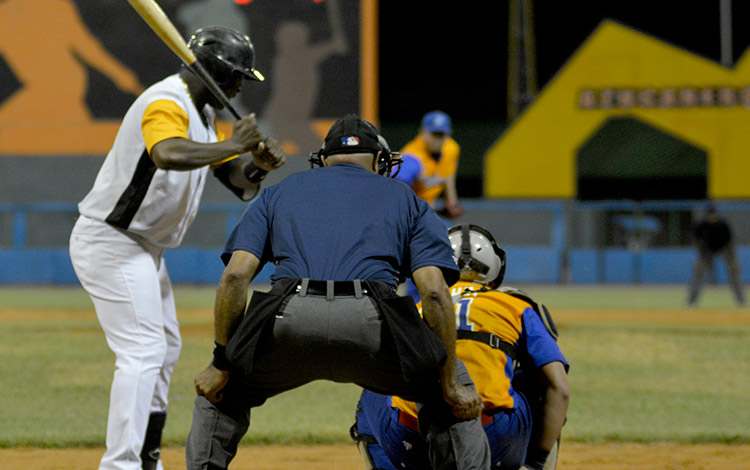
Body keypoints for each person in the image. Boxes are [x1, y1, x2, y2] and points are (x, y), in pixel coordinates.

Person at [185, 115, 490, 470]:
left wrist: (221, 363)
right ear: (379, 160)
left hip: (287, 319)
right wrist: (449, 380)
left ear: (324, 159)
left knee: (219, 393)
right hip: (375, 324)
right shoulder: (407, 199)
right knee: (447, 395)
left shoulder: (279, 192)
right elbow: (434, 292)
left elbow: (235, 277)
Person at [68, 26, 286, 470]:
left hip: (143, 248)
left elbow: (236, 181)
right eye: (238, 76)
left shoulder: (203, 116)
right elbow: (166, 152)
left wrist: (256, 166)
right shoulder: (166, 102)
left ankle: (146, 458)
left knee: (163, 346)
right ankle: (121, 465)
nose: (241, 85)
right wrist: (234, 143)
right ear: (217, 72)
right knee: (143, 349)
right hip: (112, 240)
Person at [352, 224, 570, 470]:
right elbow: (559, 389)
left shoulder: (414, 307)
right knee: (539, 383)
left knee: (373, 388)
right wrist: (536, 462)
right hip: (494, 438)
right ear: (495, 267)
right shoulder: (515, 305)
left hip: (413, 438)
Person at [395, 110, 463, 219]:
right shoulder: (411, 157)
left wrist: (452, 203)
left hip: (429, 210)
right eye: (433, 134)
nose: (437, 139)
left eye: (441, 135)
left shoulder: (451, 148)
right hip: (408, 214)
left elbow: (449, 175)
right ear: (422, 132)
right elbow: (394, 190)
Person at [688, 204, 745, 306]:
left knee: (734, 272)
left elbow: (730, 243)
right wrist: (699, 259)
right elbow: (698, 244)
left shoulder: (723, 225)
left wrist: (734, 260)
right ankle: (692, 302)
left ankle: (741, 301)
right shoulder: (701, 226)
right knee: (699, 271)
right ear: (707, 215)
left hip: (724, 249)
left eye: (715, 214)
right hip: (706, 251)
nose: (713, 217)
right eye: (711, 215)